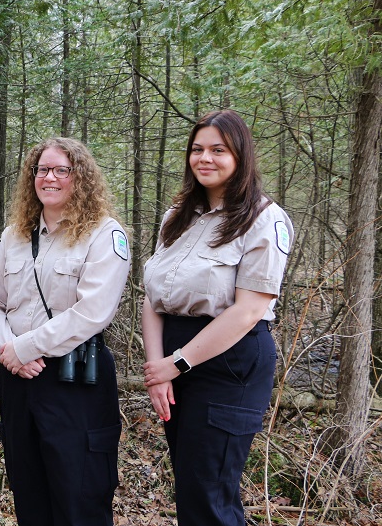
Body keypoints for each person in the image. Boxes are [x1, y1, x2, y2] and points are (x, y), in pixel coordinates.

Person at [142, 110, 292, 526]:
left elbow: (248, 311)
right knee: (191, 488)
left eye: (218, 150)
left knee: (211, 494)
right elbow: (153, 297)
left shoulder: (264, 219)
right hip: (174, 360)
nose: (204, 158)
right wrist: (159, 370)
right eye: (197, 149)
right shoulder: (177, 216)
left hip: (229, 364)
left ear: (240, 155)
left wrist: (177, 363)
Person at [0, 137, 131, 526]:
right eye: (42, 170)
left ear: (79, 177)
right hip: (17, 378)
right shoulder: (14, 234)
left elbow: (93, 311)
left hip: (74, 380)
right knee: (28, 490)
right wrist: (9, 350)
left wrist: (28, 347)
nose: (49, 178)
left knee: (79, 495)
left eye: (60, 170)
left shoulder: (103, 233)